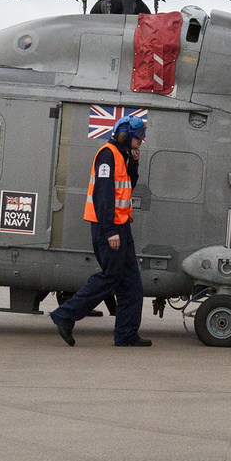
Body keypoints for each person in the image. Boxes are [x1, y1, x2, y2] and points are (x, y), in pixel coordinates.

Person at [50, 114, 150, 347]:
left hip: (121, 226)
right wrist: (110, 230)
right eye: (138, 137)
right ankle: (64, 315)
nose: (140, 141)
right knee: (110, 277)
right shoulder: (107, 155)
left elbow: (128, 186)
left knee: (132, 284)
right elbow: (103, 195)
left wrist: (134, 161)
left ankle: (126, 334)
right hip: (110, 228)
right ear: (125, 135)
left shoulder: (121, 155)